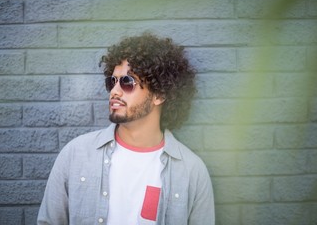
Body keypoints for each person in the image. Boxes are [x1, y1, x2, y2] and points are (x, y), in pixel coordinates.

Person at [37, 32, 215, 225]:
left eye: (127, 82)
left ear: (159, 95)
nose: (114, 91)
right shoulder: (76, 154)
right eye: (112, 81)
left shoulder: (191, 171)